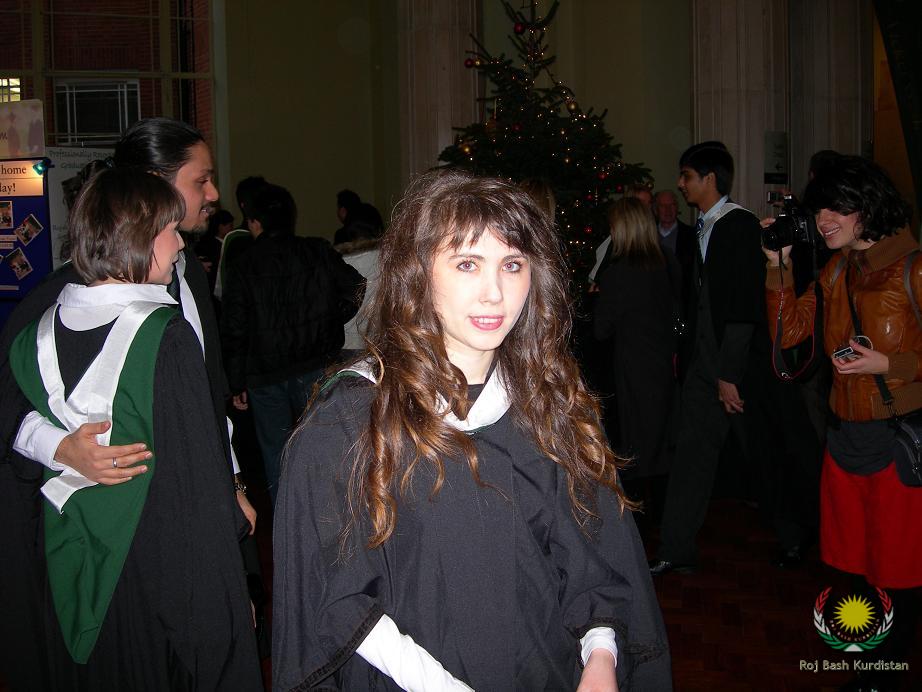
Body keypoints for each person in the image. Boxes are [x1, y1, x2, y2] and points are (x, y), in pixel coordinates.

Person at [273, 168, 671, 691]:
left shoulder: (551, 408)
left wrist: (600, 655)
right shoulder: (351, 422)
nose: (494, 293)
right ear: (418, 273)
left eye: (512, 265)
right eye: (467, 264)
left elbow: (593, 559)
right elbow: (336, 594)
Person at [0, 117, 257, 688]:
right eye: (200, 181)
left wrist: (234, 485)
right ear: (148, 199)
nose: (213, 194)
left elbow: (207, 405)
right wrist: (58, 445)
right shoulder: (57, 306)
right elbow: (9, 404)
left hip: (158, 528)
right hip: (144, 545)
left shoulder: (185, 280)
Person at [763, 156, 922, 678]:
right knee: (852, 565)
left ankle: (880, 674)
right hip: (844, 435)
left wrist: (890, 365)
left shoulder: (913, 269)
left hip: (897, 440)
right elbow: (790, 333)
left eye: (836, 208)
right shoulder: (838, 271)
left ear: (866, 209)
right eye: (819, 210)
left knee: (897, 568)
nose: (824, 219)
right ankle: (866, 665)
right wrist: (777, 265)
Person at [650, 142, 768, 576]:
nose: (680, 185)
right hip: (703, 367)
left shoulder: (739, 225)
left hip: (734, 368)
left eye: (686, 176)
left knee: (767, 449)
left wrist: (728, 373)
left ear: (709, 179)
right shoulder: (703, 226)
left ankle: (797, 533)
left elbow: (742, 307)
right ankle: (676, 547)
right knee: (692, 455)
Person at [221, 183, 365, 503]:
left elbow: (234, 327)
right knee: (323, 446)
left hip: (265, 373)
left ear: (255, 222)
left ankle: (287, 522)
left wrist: (235, 380)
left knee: (276, 454)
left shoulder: (244, 264)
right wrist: (331, 321)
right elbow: (355, 286)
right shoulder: (315, 250)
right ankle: (325, 517)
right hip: (314, 362)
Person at [594, 197, 680, 489]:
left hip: (632, 366)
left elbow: (601, 329)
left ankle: (638, 505)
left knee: (636, 447)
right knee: (661, 441)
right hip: (665, 362)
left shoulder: (618, 273)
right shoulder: (667, 261)